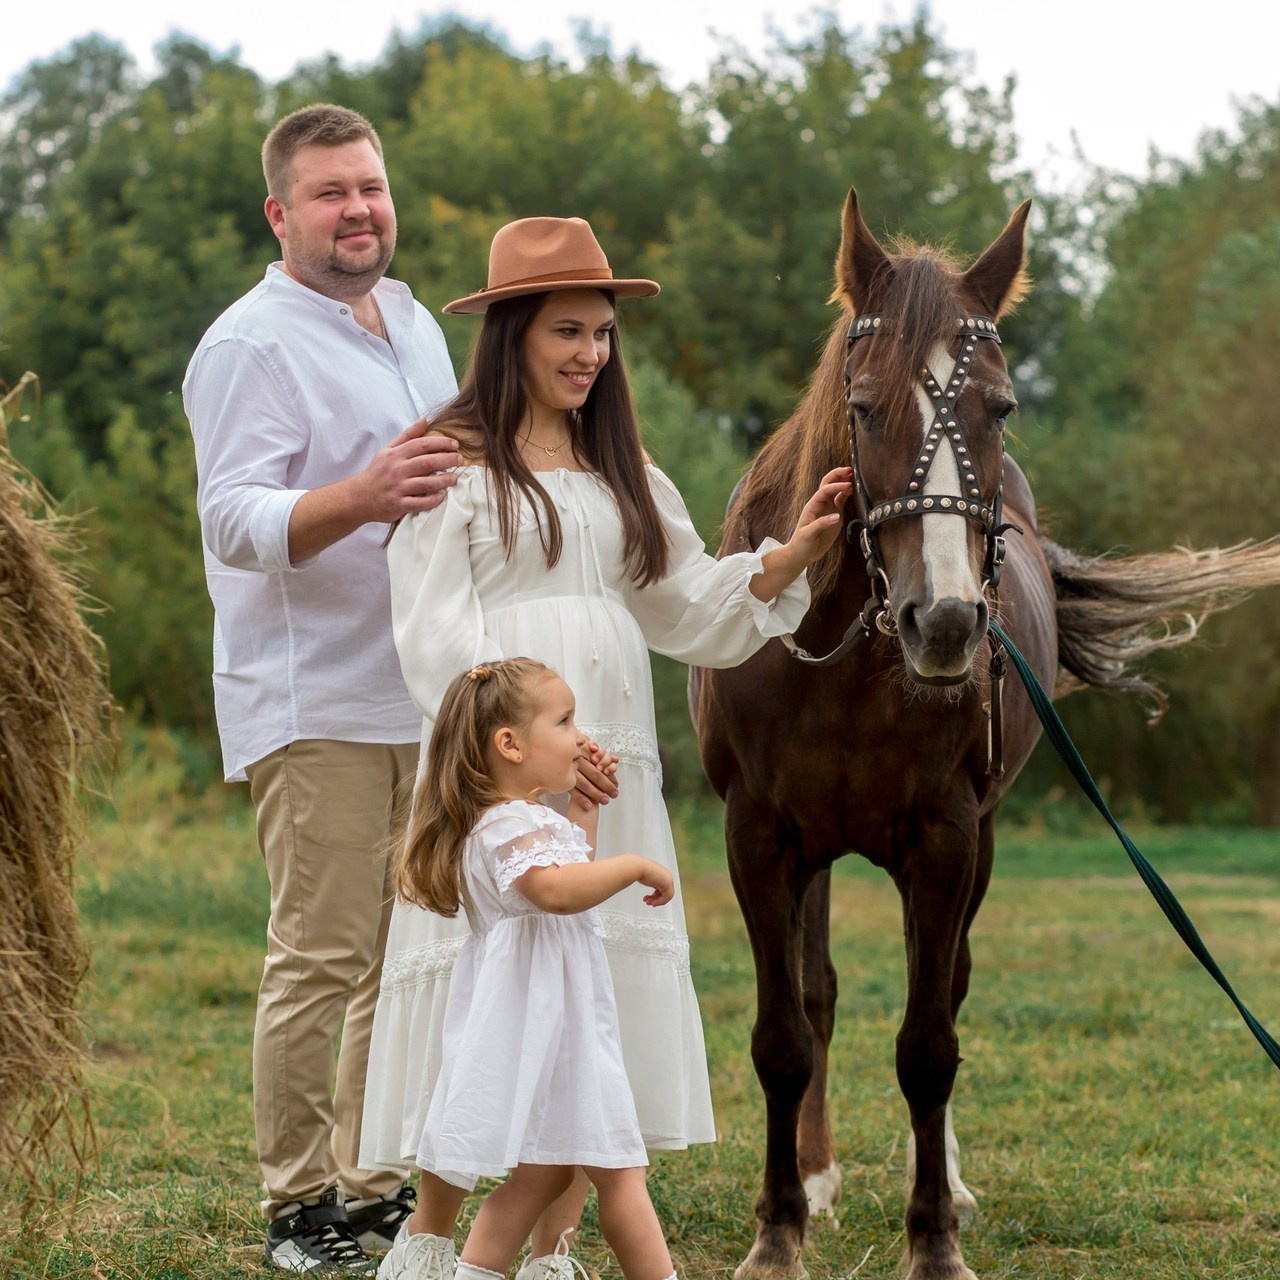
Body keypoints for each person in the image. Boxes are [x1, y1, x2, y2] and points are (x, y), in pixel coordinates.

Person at [360, 215, 851, 1277]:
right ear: (510, 337)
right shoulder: (452, 466)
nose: (590, 353)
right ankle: (430, 1240)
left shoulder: (620, 464)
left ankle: (551, 1248)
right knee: (483, 993)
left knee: (587, 998)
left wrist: (782, 561)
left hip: (604, 760)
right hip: (501, 767)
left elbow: (681, 605)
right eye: (567, 331)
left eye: (601, 333)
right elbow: (431, 633)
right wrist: (506, 767)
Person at [183, 102, 461, 1273]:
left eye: (371, 186)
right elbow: (231, 518)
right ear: (280, 213)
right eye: (331, 192)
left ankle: (373, 1185)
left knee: (409, 957)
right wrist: (363, 492)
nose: (358, 210)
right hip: (316, 699)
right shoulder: (247, 344)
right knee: (322, 955)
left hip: (426, 686)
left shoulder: (408, 320)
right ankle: (298, 1206)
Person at [379, 657, 681, 1280]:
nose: (580, 734)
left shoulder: (523, 819)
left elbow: (566, 870)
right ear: (510, 745)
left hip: (556, 1027)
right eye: (565, 720)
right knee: (621, 1171)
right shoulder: (502, 824)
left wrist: (584, 809)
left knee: (546, 1173)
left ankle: (476, 1272)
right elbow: (553, 891)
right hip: (545, 1025)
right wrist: (633, 866)